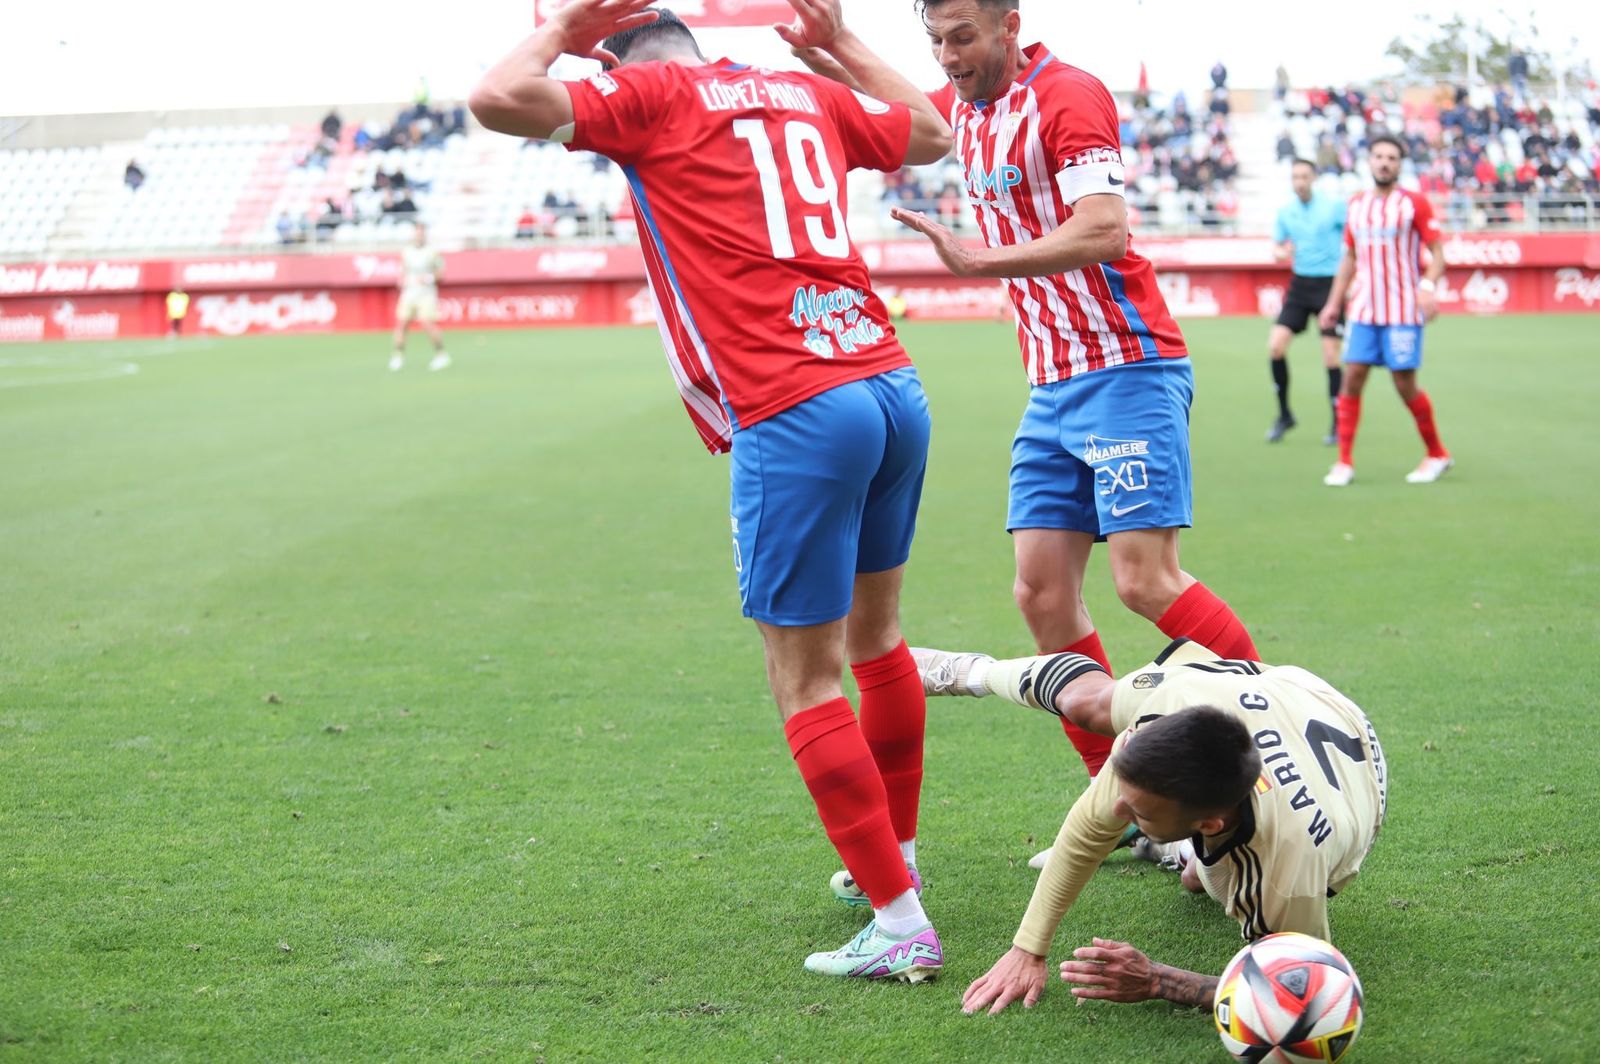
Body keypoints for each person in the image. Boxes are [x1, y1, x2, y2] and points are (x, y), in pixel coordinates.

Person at [469, 0, 956, 981]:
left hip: (797, 404)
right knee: (877, 640)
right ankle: (888, 862)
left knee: (804, 675)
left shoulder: (646, 93)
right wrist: (840, 48)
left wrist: (561, 29)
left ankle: (900, 919)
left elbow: (494, 98)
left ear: (616, 58)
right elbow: (936, 132)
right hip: (889, 381)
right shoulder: (796, 88)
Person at [796, 0, 1259, 816]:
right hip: (1050, 386)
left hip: (1126, 366)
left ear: (1010, 23)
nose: (947, 56)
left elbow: (1106, 228)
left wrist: (986, 261)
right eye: (935, 40)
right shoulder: (973, 107)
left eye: (963, 36)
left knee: (1144, 580)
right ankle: (1122, 803)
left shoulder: (1065, 95)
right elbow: (907, 104)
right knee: (1041, 597)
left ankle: (1266, 752)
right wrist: (834, 45)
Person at [912, 638, 1385, 1014]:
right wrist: (1027, 949)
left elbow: (1298, 991)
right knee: (1090, 704)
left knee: (1207, 884)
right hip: (1273, 693)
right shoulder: (1165, 716)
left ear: (1208, 822)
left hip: (1352, 764)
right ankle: (969, 671)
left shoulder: (1286, 873)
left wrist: (1160, 980)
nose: (1118, 813)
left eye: (1136, 813)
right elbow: (1085, 833)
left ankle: (1182, 853)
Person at [1318, 135, 1452, 486]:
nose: (1384, 162)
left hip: (1403, 311)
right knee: (1351, 378)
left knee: (1404, 384)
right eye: (1378, 156)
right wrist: (1334, 303)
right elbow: (1349, 257)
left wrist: (1427, 287)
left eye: (1391, 157)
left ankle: (1437, 454)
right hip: (1363, 309)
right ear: (1369, 161)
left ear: (1400, 164)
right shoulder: (1357, 205)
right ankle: (1344, 462)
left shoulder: (1414, 204)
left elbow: (1438, 254)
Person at [1267, 159, 1346, 445]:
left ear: (1314, 178)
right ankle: (1284, 414)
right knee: (1276, 346)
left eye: (1304, 176)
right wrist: (1280, 252)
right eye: (1295, 177)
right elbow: (1277, 245)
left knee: (1331, 356)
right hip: (1300, 285)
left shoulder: (1334, 207)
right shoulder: (1286, 211)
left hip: (1330, 286)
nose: (1299, 181)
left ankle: (1339, 422)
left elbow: (1352, 237)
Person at [390, 223, 450, 372]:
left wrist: (428, 278)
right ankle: (398, 355)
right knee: (402, 323)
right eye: (417, 232)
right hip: (409, 293)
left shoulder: (433, 252)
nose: (419, 235)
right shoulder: (406, 251)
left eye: (421, 232)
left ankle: (441, 354)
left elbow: (441, 274)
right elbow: (403, 271)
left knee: (427, 323)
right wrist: (401, 280)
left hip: (426, 293)